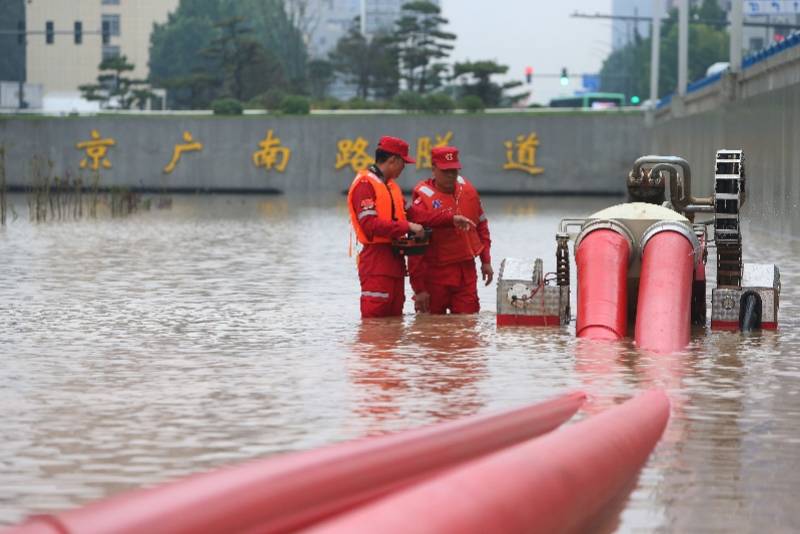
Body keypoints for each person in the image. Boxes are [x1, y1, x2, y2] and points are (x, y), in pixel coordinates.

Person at [347, 137, 474, 318]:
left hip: (394, 264)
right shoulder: (365, 185)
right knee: (374, 326)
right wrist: (407, 226)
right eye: (403, 163)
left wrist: (450, 219)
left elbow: (416, 214)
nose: (403, 168)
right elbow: (369, 226)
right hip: (376, 263)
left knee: (394, 323)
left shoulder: (391, 187)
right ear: (393, 160)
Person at [408, 146, 493, 314]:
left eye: (454, 171)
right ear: (433, 169)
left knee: (468, 326)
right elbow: (414, 250)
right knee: (431, 330)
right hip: (434, 274)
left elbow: (481, 227)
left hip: (465, 271)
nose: (450, 176)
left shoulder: (468, 192)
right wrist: (419, 289)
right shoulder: (422, 201)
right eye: (445, 171)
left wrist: (486, 261)